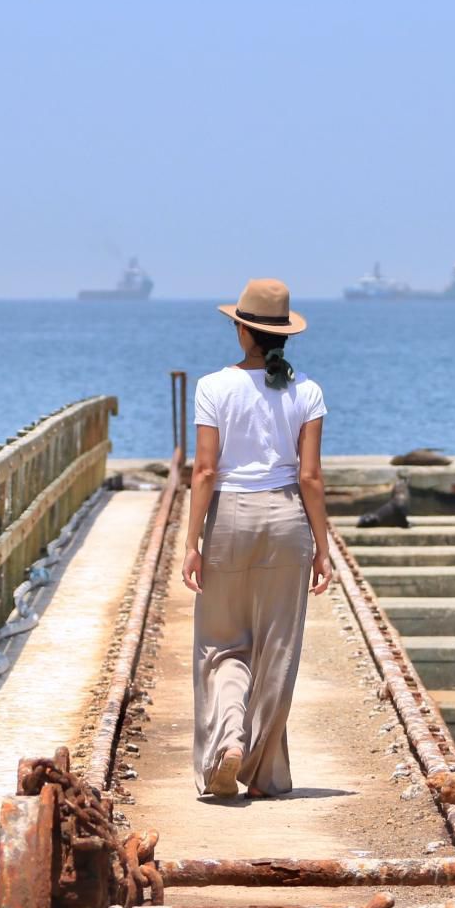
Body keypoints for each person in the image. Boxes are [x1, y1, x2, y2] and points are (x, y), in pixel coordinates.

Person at [182, 278, 332, 799]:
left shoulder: (212, 386)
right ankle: (265, 772)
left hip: (230, 521)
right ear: (284, 335)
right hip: (288, 523)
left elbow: (204, 470)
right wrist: (323, 548)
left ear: (243, 329)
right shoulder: (307, 391)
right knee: (278, 649)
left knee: (221, 646)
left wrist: (192, 542)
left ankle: (229, 739)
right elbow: (311, 478)